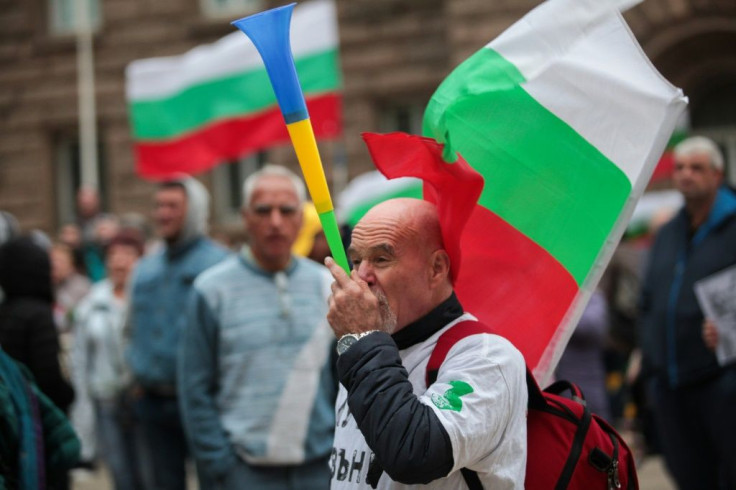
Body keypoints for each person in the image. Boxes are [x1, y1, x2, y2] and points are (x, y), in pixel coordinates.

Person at [325, 198, 527, 489]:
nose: (361, 278)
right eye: (356, 261)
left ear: (436, 268)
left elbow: (413, 454)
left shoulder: (488, 357)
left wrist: (361, 339)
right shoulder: (364, 347)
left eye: (381, 259)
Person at [179, 165, 337, 489]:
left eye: (286, 210)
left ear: (301, 218)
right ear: (246, 217)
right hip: (243, 473)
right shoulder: (211, 290)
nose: (275, 221)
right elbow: (194, 388)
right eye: (263, 210)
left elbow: (344, 382)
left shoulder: (327, 287)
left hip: (320, 470)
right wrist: (221, 466)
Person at [638, 136, 736, 489]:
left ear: (717, 173)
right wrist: (649, 360)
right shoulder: (667, 233)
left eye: (696, 168)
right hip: (670, 387)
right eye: (679, 168)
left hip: (723, 382)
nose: (685, 175)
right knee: (689, 477)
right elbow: (648, 301)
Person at [127, 176, 229, 490]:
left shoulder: (220, 265)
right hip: (153, 403)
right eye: (159, 206)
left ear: (195, 211)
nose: (163, 213)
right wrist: (133, 375)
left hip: (204, 403)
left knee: (215, 481)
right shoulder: (145, 267)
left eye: (173, 206)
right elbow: (129, 328)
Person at [73, 229, 145, 490]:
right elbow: (80, 362)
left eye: (128, 254)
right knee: (121, 475)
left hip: (143, 399)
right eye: (113, 254)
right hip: (107, 402)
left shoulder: (147, 300)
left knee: (150, 475)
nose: (119, 261)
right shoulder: (91, 303)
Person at [0, 236, 75, 414]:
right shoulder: (38, 314)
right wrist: (68, 395)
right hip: (37, 414)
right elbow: (48, 376)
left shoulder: (6, 310)